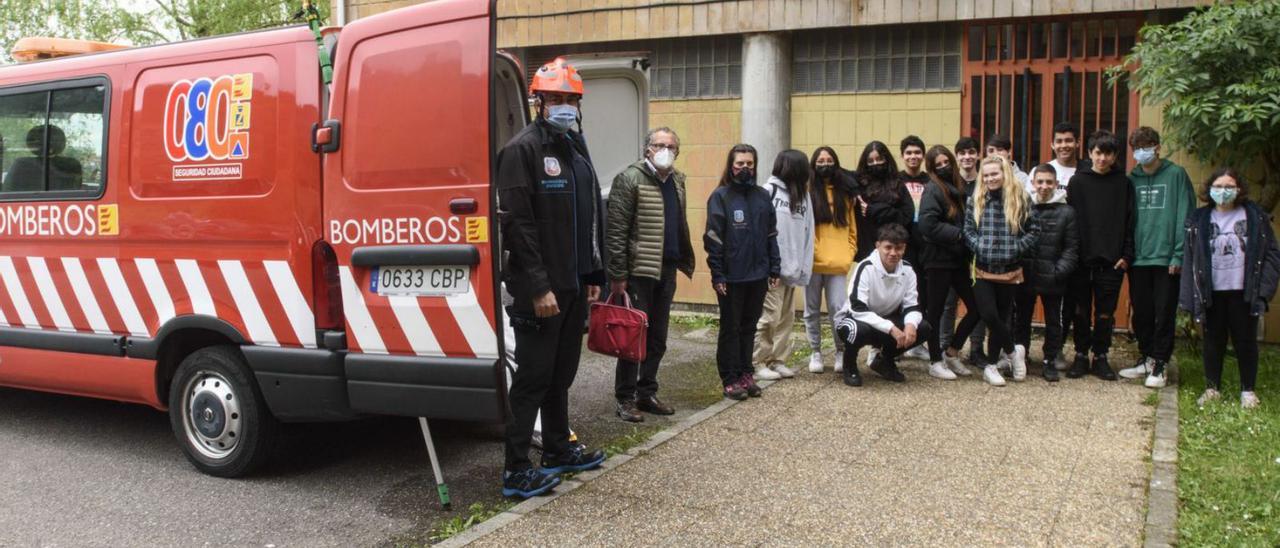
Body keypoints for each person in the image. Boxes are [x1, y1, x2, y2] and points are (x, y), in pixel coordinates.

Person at [496, 57, 607, 499]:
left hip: (574, 282)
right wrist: (539, 286)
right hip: (539, 289)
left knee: (561, 374)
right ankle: (517, 468)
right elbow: (518, 225)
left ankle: (558, 449)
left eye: (570, 100)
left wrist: (593, 273)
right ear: (537, 101)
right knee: (533, 378)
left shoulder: (575, 148)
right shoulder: (522, 150)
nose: (562, 106)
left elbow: (587, 216)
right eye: (555, 98)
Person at [606, 127, 696, 422]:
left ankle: (647, 393)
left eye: (670, 145)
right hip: (637, 273)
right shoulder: (629, 178)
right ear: (647, 149)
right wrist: (618, 274)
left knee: (658, 338)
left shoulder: (677, 181)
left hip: (666, 269)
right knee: (633, 338)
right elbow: (616, 231)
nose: (664, 150)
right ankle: (625, 398)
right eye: (659, 144)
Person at [1180, 168, 1280, 409]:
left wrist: (1264, 292)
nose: (1223, 191)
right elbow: (1190, 259)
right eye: (1218, 186)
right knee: (1213, 340)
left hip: (1243, 291)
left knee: (1245, 341)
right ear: (1209, 189)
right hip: (1211, 291)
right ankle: (1212, 388)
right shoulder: (1199, 218)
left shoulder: (1255, 216)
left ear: (1238, 190)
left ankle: (1248, 390)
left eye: (1229, 186)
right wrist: (1188, 298)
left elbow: (1271, 255)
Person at [1116, 127, 1196, 388]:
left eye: (1147, 146)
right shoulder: (1131, 179)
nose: (1142, 152)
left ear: (1157, 147)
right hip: (1138, 258)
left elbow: (1186, 214)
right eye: (1137, 148)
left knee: (1164, 313)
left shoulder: (1176, 175)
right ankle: (1148, 358)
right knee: (1142, 314)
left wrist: (1178, 254)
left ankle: (1161, 362)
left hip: (1166, 259)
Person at [705, 144, 780, 400]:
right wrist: (718, 274)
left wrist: (774, 267)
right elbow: (713, 238)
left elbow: (772, 234)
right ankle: (729, 378)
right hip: (731, 277)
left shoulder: (762, 196)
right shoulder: (721, 196)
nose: (745, 168)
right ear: (731, 166)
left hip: (758, 275)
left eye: (749, 164)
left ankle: (746, 373)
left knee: (749, 327)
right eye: (740, 164)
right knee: (731, 328)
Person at [1065, 130, 1135, 381]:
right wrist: (1071, 255)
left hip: (1112, 261)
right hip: (1081, 260)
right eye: (1098, 153)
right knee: (1080, 311)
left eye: (1108, 153)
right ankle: (1081, 354)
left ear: (1115, 155)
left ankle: (1101, 355)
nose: (1102, 158)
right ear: (1089, 153)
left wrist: (1126, 255)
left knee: (1105, 313)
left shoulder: (1123, 183)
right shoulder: (1078, 182)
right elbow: (1070, 221)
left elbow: (1130, 221)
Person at [964, 156, 1039, 386]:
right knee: (988, 314)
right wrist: (979, 246)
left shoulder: (1021, 198)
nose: (990, 179)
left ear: (1004, 173)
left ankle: (991, 365)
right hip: (983, 269)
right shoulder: (975, 199)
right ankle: (1014, 351)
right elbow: (968, 230)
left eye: (994, 174)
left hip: (1009, 270)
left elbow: (1034, 230)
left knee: (1003, 317)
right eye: (985, 175)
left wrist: (1016, 248)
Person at [833, 223, 932, 386]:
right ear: (878, 246)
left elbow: (912, 305)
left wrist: (911, 324)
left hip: (884, 320)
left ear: (904, 248)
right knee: (858, 330)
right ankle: (849, 365)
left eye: (898, 248)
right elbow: (857, 308)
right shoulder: (865, 267)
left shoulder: (908, 270)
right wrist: (891, 328)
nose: (893, 253)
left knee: (923, 328)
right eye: (888, 247)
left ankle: (884, 361)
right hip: (854, 319)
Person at [917, 145, 981, 380]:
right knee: (934, 312)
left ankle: (952, 351)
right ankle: (935, 361)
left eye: (946, 162)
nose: (944, 167)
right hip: (938, 261)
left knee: (977, 308)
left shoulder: (959, 188)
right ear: (931, 169)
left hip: (958, 260)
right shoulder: (933, 189)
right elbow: (927, 224)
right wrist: (958, 235)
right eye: (938, 165)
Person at [1012, 164, 1079, 382]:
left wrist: (1058, 272)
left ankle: (1050, 360)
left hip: (1053, 278)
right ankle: (1020, 357)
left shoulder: (1067, 211)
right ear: (1032, 183)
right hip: (1026, 275)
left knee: (1053, 322)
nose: (1044, 186)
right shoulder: (1023, 206)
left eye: (1049, 182)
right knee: (1021, 319)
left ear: (1056, 184)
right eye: (1039, 181)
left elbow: (1071, 248)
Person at [753, 150, 815, 381]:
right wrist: (768, 266)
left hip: (793, 268)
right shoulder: (768, 191)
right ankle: (757, 361)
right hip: (772, 270)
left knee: (786, 319)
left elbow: (808, 231)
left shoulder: (803, 196)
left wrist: (803, 267)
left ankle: (777, 360)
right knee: (768, 317)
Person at [804, 147, 858, 374]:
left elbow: (852, 229)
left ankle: (840, 350)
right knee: (811, 310)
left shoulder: (844, 193)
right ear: (813, 164)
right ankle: (815, 351)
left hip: (838, 263)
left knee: (839, 309)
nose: (824, 164)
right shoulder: (807, 192)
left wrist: (849, 253)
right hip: (812, 263)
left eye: (829, 160)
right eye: (820, 160)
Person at [940, 136, 987, 363]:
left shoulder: (986, 182)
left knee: (978, 303)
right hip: (954, 252)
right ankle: (944, 345)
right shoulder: (951, 182)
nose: (967, 157)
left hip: (979, 253)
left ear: (978, 155)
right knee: (949, 303)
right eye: (962, 153)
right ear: (956, 157)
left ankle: (976, 349)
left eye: (971, 152)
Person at [1046, 122, 1087, 372]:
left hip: (1079, 247)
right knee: (1054, 305)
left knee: (1075, 304)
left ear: (1078, 143)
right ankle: (1055, 350)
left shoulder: (1086, 170)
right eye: (1059, 141)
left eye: (1069, 140)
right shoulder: (1044, 170)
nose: (1064, 145)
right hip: (1050, 250)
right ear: (1052, 144)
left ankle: (1080, 352)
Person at [898, 135, 932, 362]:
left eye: (917, 152)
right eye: (909, 153)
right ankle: (898, 342)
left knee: (923, 294)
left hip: (927, 244)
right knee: (901, 294)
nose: (913, 157)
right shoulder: (896, 180)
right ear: (902, 156)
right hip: (903, 244)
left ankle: (917, 341)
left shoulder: (930, 180)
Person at [852, 141, 913, 261]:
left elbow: (907, 215)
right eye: (871, 161)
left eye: (879, 159)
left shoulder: (897, 183)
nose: (875, 163)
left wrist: (875, 210)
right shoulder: (858, 183)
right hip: (866, 247)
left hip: (892, 247)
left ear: (886, 159)